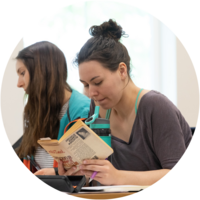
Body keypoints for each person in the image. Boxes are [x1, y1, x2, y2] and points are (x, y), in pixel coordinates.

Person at [58, 19, 192, 186]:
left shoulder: (156, 106)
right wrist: (79, 172)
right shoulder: (98, 106)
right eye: (85, 85)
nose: (91, 93)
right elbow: (101, 172)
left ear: (122, 70)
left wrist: (118, 177)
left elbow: (179, 176)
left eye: (97, 82)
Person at [15, 41, 90, 175]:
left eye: (22, 73)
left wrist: (54, 173)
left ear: (42, 71)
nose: (19, 84)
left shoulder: (83, 110)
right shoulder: (32, 112)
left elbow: (85, 170)